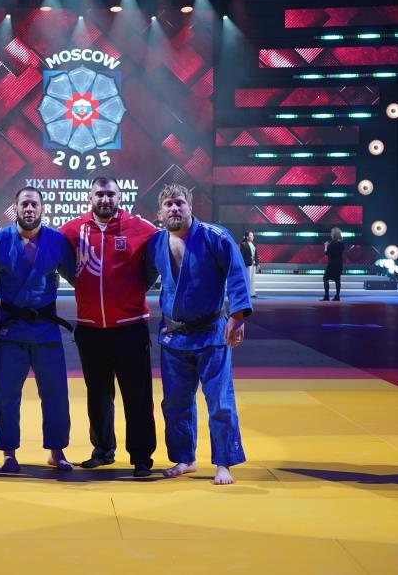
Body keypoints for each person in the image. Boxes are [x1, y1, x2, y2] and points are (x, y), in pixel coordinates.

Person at [146, 184, 252, 485]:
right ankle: (185, 458)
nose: (174, 208)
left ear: (190, 207)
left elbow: (236, 274)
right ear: (160, 212)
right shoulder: (156, 243)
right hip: (174, 335)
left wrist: (238, 316)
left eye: (179, 203)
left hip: (211, 334)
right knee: (175, 403)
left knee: (219, 402)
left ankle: (224, 462)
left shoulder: (215, 236)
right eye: (168, 204)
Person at [59, 176, 159, 477]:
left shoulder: (141, 228)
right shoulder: (72, 230)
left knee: (137, 396)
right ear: (90, 197)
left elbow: (154, 268)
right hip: (90, 329)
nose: (105, 199)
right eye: (100, 194)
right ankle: (103, 451)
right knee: (98, 396)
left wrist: (135, 292)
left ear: (119, 196)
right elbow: (64, 265)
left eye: (110, 194)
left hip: (130, 327)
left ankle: (141, 458)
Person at [0, 187, 76, 473]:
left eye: (34, 204)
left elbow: (78, 277)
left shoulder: (57, 240)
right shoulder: (0, 240)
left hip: (46, 328)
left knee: (55, 393)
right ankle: (8, 452)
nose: (29, 209)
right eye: (24, 204)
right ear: (15, 208)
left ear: (42, 209)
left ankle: (57, 450)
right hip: (11, 329)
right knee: (6, 394)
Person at [321, 227, 344, 301]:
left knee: (325, 278)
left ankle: (326, 296)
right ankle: (337, 296)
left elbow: (326, 253)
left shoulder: (332, 243)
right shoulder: (341, 243)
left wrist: (326, 246)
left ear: (333, 234)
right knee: (337, 280)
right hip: (339, 263)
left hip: (332, 264)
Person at [239, 231, 260, 298]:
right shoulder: (243, 244)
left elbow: (256, 255)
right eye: (251, 235)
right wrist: (243, 264)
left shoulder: (254, 244)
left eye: (252, 235)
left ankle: (252, 293)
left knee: (253, 279)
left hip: (253, 263)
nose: (252, 236)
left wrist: (257, 264)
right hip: (247, 264)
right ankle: (246, 293)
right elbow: (242, 255)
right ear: (247, 237)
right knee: (248, 278)